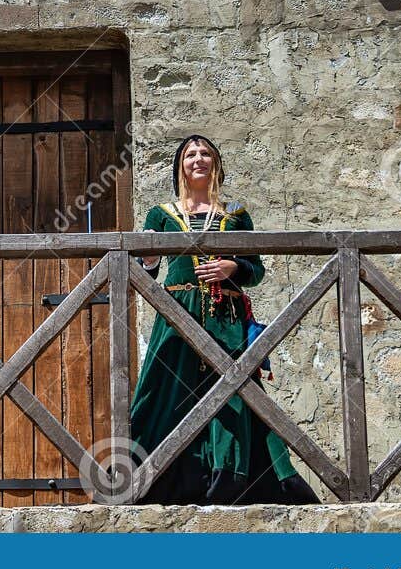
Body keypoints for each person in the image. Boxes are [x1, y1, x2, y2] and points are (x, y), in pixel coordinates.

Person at [128, 134, 320, 505]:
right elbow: (145, 272)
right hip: (178, 314)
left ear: (215, 163)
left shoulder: (235, 214)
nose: (198, 159)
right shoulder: (161, 214)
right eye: (190, 154)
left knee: (234, 394)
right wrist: (149, 259)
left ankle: (230, 478)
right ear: (180, 166)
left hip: (225, 314)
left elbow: (257, 270)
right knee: (166, 390)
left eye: (205, 154)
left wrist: (234, 266)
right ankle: (149, 478)